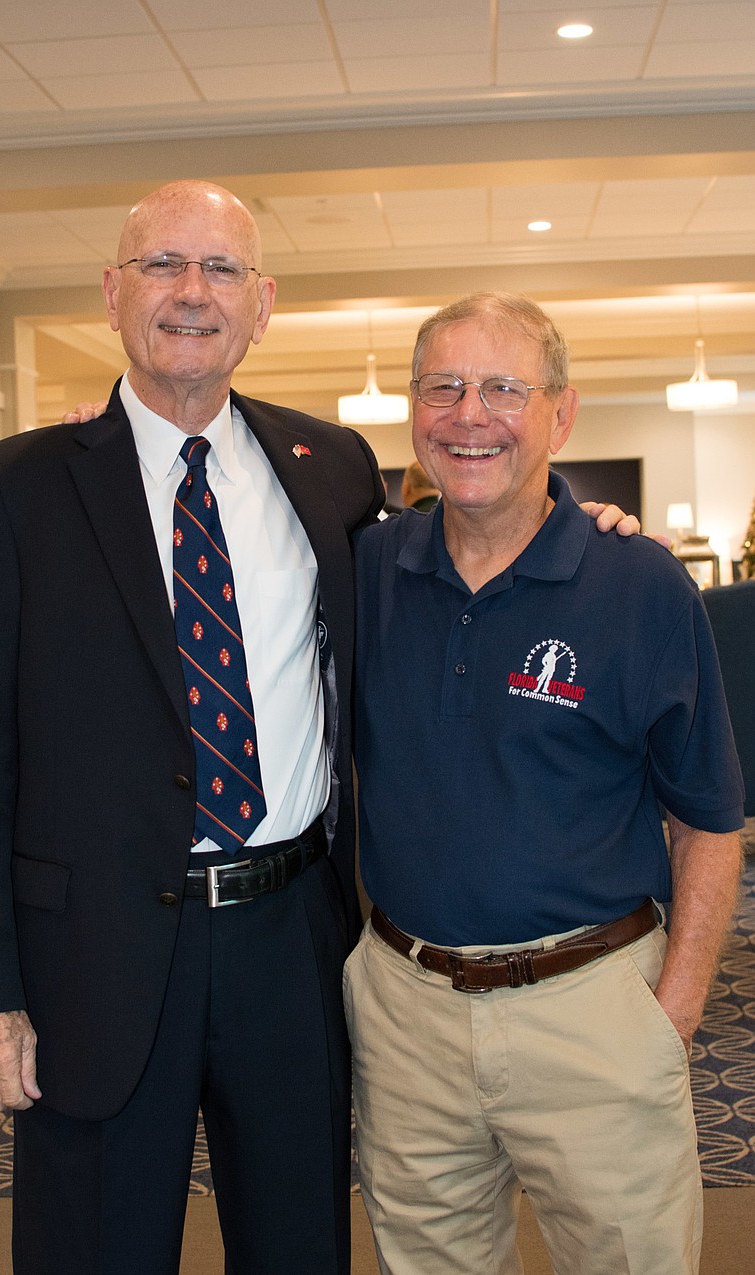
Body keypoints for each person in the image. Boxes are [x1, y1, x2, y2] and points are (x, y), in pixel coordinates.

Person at [0, 179, 385, 1275]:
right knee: (96, 1247)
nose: (191, 292)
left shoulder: (334, 470)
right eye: (161, 266)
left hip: (290, 936)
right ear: (111, 294)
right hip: (91, 951)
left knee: (299, 1242)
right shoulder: (13, 489)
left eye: (219, 269)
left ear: (261, 304)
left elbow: (440, 577)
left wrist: (582, 526)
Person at [344, 292, 744, 1275]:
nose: (468, 415)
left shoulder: (639, 584)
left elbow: (708, 817)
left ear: (559, 415)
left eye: (502, 389)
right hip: (406, 1012)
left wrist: (675, 1009)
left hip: (593, 1005)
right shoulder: (363, 567)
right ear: (411, 410)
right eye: (442, 386)